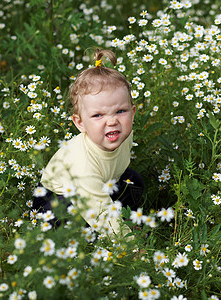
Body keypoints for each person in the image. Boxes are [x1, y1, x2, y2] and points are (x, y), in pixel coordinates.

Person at [32, 48, 144, 238]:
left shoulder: (123, 134)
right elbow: (99, 210)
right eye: (98, 115)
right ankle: (95, 235)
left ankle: (120, 221)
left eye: (120, 111)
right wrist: (129, 245)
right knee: (67, 216)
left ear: (133, 113)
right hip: (59, 198)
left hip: (102, 184)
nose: (112, 121)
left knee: (134, 182)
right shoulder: (82, 164)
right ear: (80, 123)